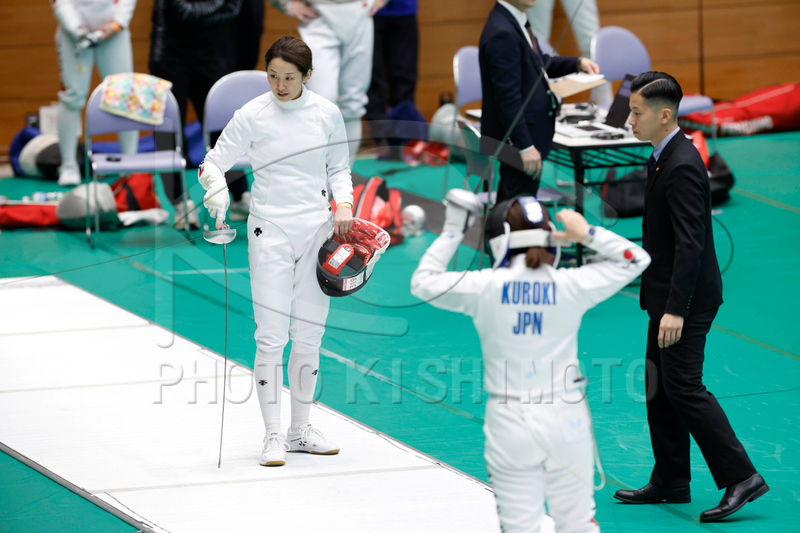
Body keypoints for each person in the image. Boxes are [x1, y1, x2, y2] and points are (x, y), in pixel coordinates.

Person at [411, 189, 651, 532]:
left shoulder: (484, 286)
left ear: (500, 239)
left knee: (520, 527)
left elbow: (423, 283)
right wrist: (586, 233)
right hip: (566, 417)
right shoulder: (571, 283)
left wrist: (453, 229)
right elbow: (636, 259)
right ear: (550, 235)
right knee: (578, 525)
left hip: (510, 419)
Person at [613, 72, 768, 522]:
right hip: (666, 295)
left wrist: (675, 310)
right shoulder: (662, 156)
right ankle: (671, 479)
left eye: (636, 112)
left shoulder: (681, 164)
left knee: (683, 386)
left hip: (687, 300)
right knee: (658, 385)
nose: (629, 120)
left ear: (665, 115)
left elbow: (691, 243)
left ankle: (742, 476)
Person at [199, 36, 354, 467]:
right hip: (269, 230)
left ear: (307, 75)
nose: (280, 86)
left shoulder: (327, 113)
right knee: (271, 336)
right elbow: (213, 162)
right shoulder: (253, 114)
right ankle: (271, 434)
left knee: (309, 334)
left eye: (289, 78)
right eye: (272, 76)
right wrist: (215, 189)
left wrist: (344, 203)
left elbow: (339, 168)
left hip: (317, 231)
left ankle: (300, 431)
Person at [479, 0, 599, 203]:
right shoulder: (502, 33)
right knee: (516, 206)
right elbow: (507, 99)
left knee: (515, 203)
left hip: (529, 136)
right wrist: (524, 146)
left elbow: (537, 63)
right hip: (521, 141)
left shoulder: (514, 21)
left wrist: (577, 63)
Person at [149, 0, 246, 230]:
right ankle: (180, 204)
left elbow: (235, 7)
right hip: (169, 56)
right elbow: (183, 10)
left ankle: (240, 197)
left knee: (223, 129)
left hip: (212, 52)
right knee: (168, 134)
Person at [267, 0, 385, 165]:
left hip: (361, 14)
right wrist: (285, 4)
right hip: (318, 17)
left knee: (353, 104)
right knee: (322, 103)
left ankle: (343, 176)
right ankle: (317, 175)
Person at [51, 0, 139, 187]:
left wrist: (117, 23)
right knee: (72, 97)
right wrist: (76, 29)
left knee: (123, 95)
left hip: (114, 32)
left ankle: (130, 163)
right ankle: (68, 165)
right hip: (73, 35)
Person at [365, 0, 418, 142]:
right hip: (369, 12)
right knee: (372, 74)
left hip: (404, 9)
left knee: (405, 75)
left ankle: (404, 133)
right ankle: (379, 133)